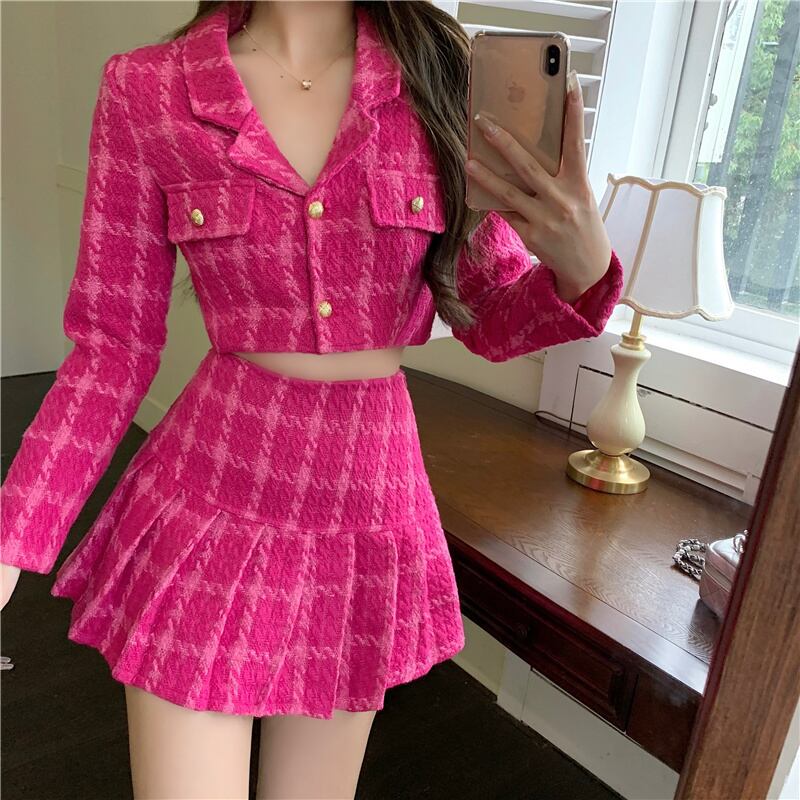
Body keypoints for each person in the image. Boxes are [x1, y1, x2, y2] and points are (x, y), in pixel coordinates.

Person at [0, 1, 624, 797]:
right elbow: (112, 348)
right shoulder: (148, 90)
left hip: (366, 513)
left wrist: (580, 266)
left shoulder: (442, 75)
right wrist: (12, 531)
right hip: (211, 504)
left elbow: (490, 314)